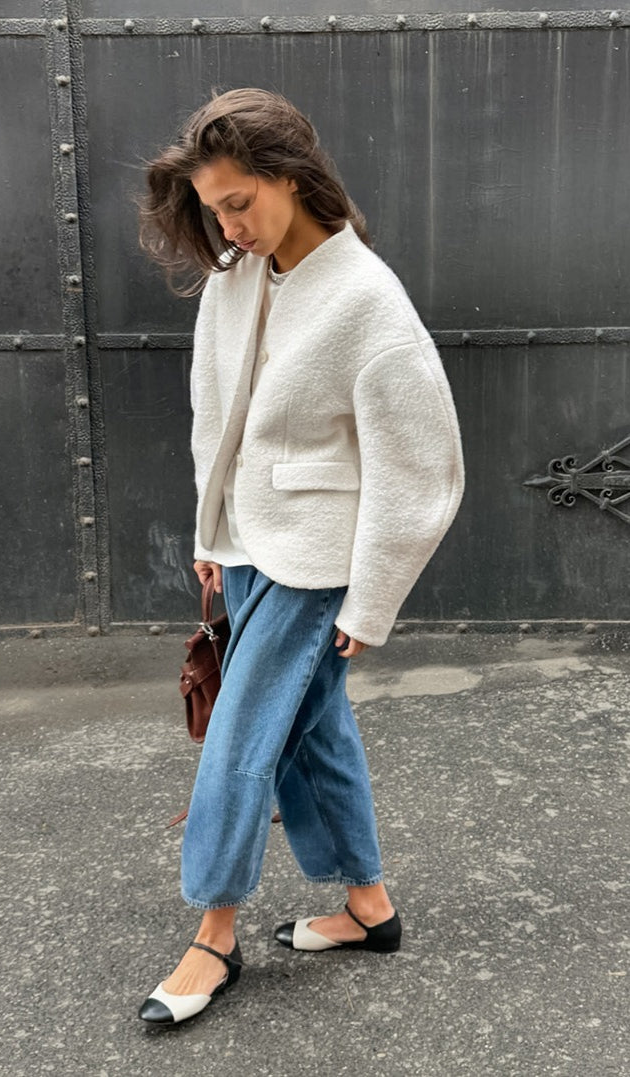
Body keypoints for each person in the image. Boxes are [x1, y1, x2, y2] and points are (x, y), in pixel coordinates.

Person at [136, 88, 464, 1026]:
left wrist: (371, 600)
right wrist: (210, 535)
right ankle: (369, 906)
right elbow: (213, 418)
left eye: (238, 202)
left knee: (242, 736)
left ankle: (214, 932)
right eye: (214, 210)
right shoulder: (235, 279)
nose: (227, 226)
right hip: (245, 543)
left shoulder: (368, 301)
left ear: (290, 178)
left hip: (318, 561)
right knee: (312, 731)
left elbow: (422, 467)